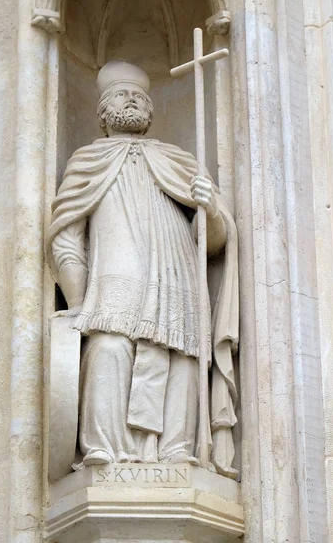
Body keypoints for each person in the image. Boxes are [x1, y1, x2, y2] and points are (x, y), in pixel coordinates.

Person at [46, 60, 239, 477]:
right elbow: (66, 235)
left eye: (139, 96)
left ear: (150, 111)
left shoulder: (178, 160)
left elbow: (213, 241)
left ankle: (176, 452)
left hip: (176, 278)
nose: (131, 99)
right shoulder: (87, 160)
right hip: (114, 279)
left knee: (180, 359)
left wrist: (208, 207)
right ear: (101, 111)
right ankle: (106, 450)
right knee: (110, 349)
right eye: (121, 94)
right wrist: (78, 301)